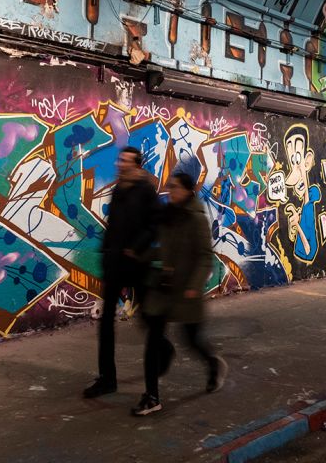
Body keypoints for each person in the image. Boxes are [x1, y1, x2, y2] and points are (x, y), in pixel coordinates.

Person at [134, 172, 228, 416]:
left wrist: (195, 286)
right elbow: (163, 251)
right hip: (163, 288)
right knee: (153, 340)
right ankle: (152, 396)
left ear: (188, 190)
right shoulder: (168, 215)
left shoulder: (196, 218)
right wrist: (139, 256)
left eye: (175, 187)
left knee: (192, 341)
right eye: (169, 187)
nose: (170, 191)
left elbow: (205, 256)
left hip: (186, 290)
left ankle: (212, 364)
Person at [84, 146, 161, 399]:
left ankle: (164, 351)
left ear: (137, 165)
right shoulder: (119, 189)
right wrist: (107, 255)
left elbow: (154, 227)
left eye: (126, 161)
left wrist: (134, 248)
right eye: (120, 160)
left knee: (147, 319)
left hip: (137, 264)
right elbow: (113, 226)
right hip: (116, 264)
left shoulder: (146, 190)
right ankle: (107, 379)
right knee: (106, 322)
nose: (120, 164)